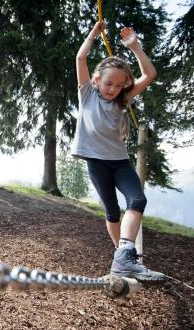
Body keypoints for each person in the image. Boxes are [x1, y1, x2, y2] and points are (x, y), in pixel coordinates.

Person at [71, 21, 166, 282]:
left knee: (137, 201)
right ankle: (122, 256)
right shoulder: (87, 94)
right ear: (97, 80)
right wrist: (93, 35)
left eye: (119, 85)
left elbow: (149, 75)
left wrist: (134, 46)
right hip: (97, 163)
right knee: (112, 211)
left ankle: (125, 254)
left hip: (120, 162)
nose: (113, 89)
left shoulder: (124, 98)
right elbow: (81, 57)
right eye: (109, 84)